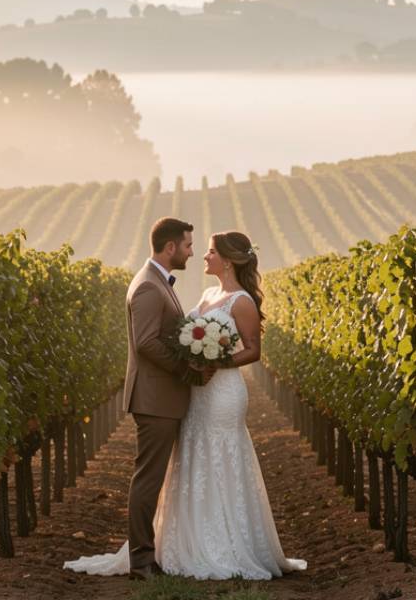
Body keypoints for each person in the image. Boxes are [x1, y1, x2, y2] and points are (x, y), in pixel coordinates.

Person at [64, 224, 306, 580]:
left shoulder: (242, 301)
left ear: (227, 261)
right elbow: (165, 338)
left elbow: (254, 350)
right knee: (191, 461)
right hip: (191, 390)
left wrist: (215, 362)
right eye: (195, 247)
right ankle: (179, 546)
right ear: (171, 246)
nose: (200, 254)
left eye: (208, 250)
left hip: (221, 393)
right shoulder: (199, 293)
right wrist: (191, 365)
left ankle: (222, 544)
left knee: (220, 458)